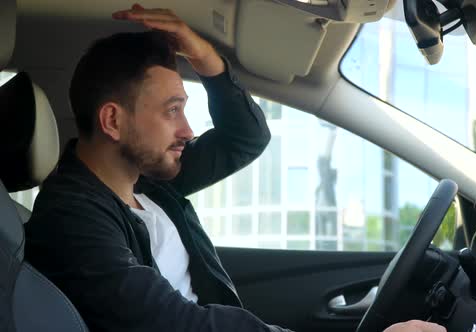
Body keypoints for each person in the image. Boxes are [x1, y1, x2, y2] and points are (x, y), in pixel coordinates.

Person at [24, 4, 446, 332]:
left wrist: (208, 61)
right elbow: (169, 324)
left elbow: (245, 137)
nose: (188, 131)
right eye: (172, 111)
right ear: (113, 121)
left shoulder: (149, 184)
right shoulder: (70, 216)